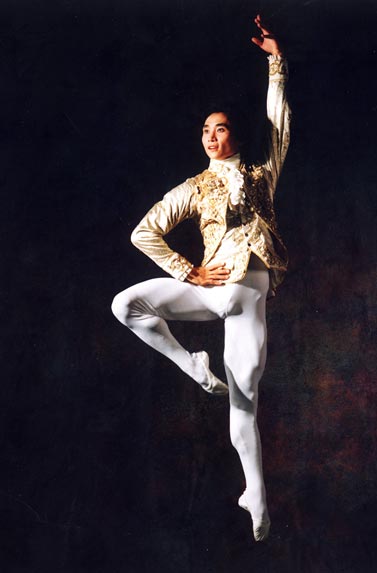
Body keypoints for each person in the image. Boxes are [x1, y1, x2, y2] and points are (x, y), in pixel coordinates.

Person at [111, 15, 290, 542]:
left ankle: (256, 495)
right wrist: (188, 270)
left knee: (244, 401)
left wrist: (276, 64)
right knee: (126, 305)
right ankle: (191, 364)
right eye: (206, 130)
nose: (212, 136)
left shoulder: (261, 174)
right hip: (210, 292)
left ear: (235, 134)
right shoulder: (193, 186)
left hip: (248, 302)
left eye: (221, 128)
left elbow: (278, 125)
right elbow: (144, 232)